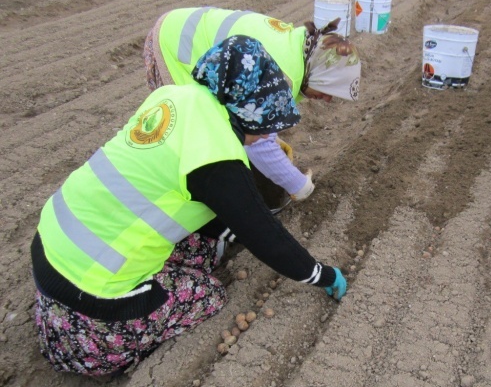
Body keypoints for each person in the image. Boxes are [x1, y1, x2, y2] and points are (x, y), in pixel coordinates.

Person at [31, 35, 348, 376]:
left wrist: (229, 229)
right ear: (250, 111)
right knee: (208, 293)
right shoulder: (217, 153)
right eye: (266, 125)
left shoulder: (174, 96)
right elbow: (263, 235)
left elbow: (173, 190)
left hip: (51, 254)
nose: (265, 135)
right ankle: (115, 350)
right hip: (92, 306)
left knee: (203, 247)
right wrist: (321, 275)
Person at [144, 7, 361, 203]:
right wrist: (300, 186)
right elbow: (257, 143)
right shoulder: (285, 74)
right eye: (328, 90)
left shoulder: (303, 46)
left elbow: (247, 106)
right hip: (175, 48)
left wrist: (270, 134)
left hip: (180, 25)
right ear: (320, 74)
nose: (328, 99)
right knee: (198, 131)